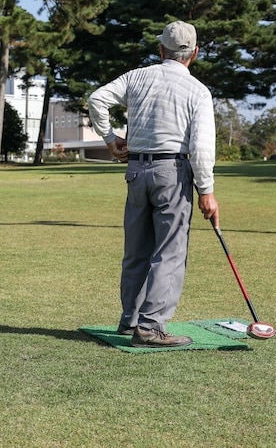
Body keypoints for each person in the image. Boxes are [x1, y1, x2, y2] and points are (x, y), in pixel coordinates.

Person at [88, 19, 219, 348]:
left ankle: (130, 318)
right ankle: (149, 328)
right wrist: (207, 192)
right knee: (170, 252)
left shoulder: (137, 76)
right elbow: (201, 148)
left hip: (136, 170)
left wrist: (108, 138)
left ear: (161, 49)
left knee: (137, 248)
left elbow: (97, 99)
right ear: (195, 53)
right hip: (173, 173)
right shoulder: (198, 92)